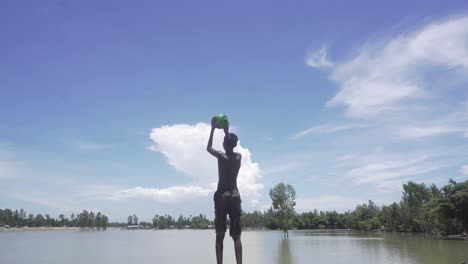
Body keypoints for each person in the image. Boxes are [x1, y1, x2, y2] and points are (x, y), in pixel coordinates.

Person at [207, 117, 242, 264]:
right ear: (235, 144)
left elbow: (208, 147)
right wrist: (226, 131)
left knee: (219, 235)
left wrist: (213, 128)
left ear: (223, 143)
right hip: (234, 196)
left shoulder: (221, 156)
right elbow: (229, 143)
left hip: (221, 196)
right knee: (236, 237)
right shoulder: (239, 157)